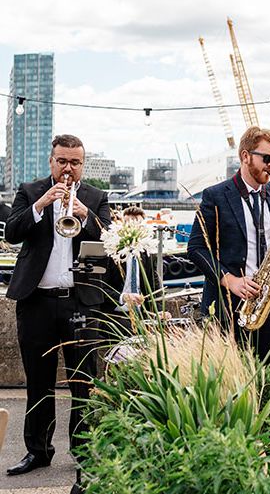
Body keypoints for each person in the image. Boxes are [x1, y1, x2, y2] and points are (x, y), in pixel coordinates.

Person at [5, 134, 111, 475]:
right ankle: (38, 451)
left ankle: (84, 452)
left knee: (83, 382)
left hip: (81, 302)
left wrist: (86, 216)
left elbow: (112, 240)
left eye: (75, 162)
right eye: (62, 161)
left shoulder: (96, 197)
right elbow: (11, 232)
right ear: (51, 161)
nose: (68, 168)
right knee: (39, 381)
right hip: (36, 300)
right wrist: (41, 206)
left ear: (83, 164)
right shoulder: (30, 191)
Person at [187, 127, 270, 366]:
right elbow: (196, 248)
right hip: (227, 304)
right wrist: (230, 280)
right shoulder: (215, 195)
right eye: (266, 158)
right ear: (245, 156)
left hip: (269, 305)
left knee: (269, 381)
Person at [102, 205, 161, 335]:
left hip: (142, 311)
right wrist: (123, 297)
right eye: (129, 224)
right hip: (116, 312)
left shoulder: (148, 254)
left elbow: (154, 284)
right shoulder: (111, 252)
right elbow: (101, 287)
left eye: (138, 224)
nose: (134, 228)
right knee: (135, 331)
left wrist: (159, 311)